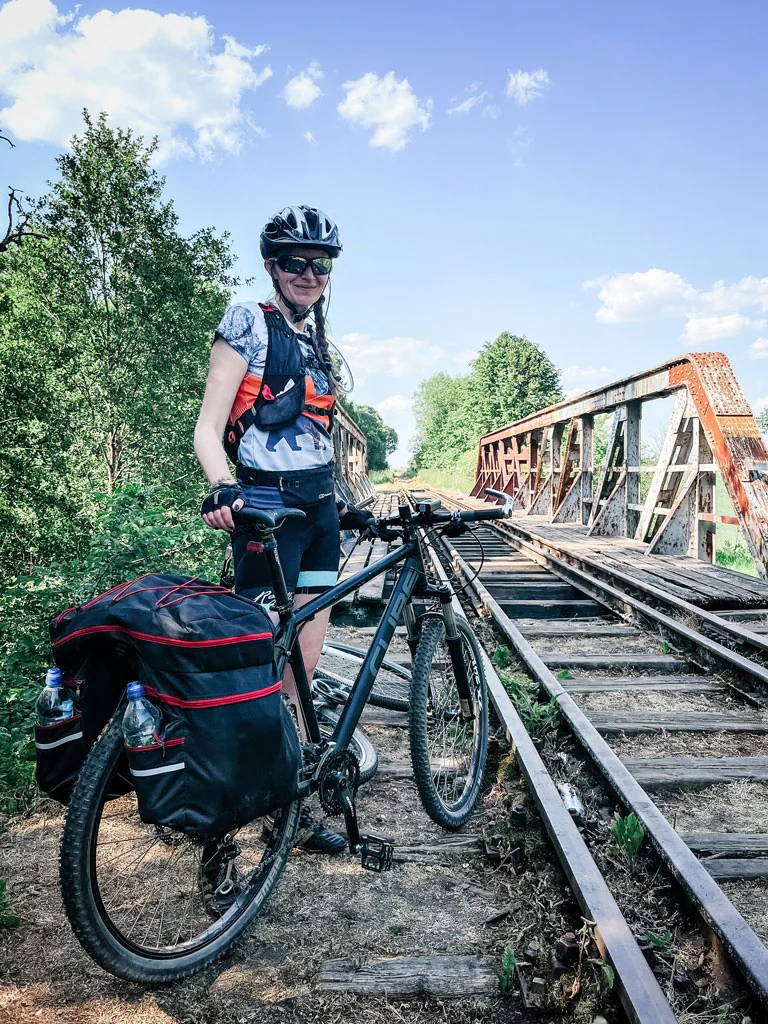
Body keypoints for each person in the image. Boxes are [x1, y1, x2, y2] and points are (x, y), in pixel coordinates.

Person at [194, 205, 375, 866]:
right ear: (272, 266)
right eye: (294, 262)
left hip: (321, 516)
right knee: (255, 677)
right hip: (265, 513)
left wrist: (348, 504)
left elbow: (319, 439)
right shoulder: (249, 321)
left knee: (299, 677)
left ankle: (287, 819)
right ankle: (216, 836)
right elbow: (208, 429)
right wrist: (222, 485)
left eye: (319, 264)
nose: (308, 273)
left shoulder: (320, 341)